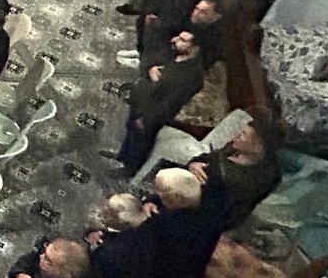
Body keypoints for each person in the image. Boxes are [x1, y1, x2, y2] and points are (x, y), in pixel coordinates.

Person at [116, 29, 207, 175]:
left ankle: (130, 168)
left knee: (141, 141)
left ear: (194, 47)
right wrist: (151, 69)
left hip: (152, 112)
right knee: (131, 130)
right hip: (140, 100)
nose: (175, 40)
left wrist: (147, 119)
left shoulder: (193, 76)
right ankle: (123, 156)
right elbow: (150, 58)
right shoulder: (174, 52)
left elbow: (170, 104)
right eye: (179, 37)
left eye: (183, 40)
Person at [189, 121, 281, 227]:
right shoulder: (236, 149)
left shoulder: (227, 177)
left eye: (243, 135)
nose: (237, 135)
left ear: (258, 147)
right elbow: (208, 157)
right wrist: (194, 164)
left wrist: (191, 169)